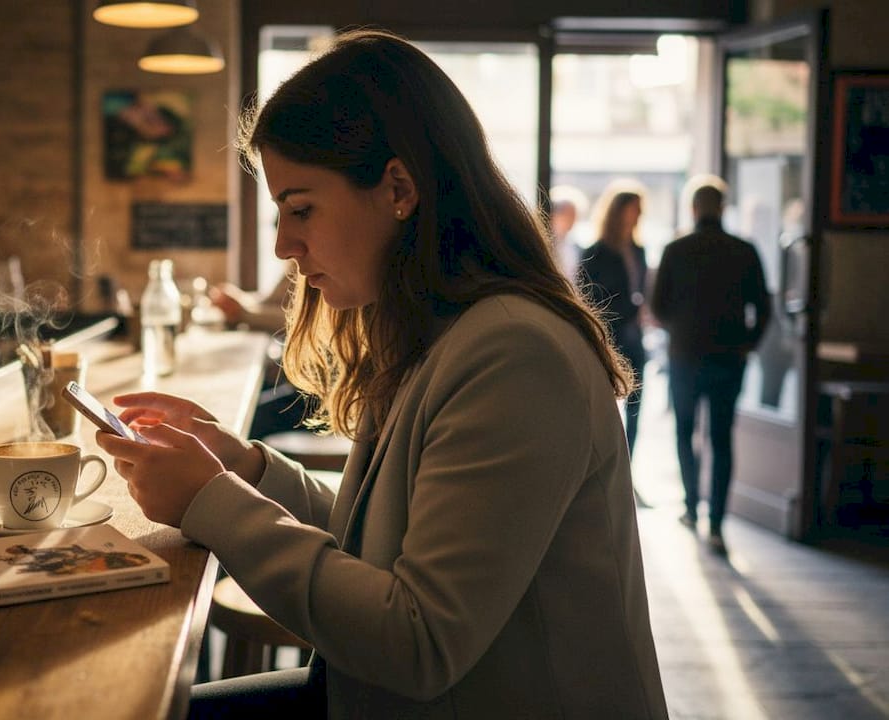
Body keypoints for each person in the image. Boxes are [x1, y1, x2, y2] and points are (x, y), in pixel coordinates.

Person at [95, 29, 667, 719]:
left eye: (301, 208)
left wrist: (208, 501)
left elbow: (417, 642)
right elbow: (377, 541)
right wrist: (243, 467)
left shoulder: (515, 355)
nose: (283, 244)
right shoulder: (435, 328)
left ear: (398, 188)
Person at [652, 178, 771, 555]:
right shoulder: (744, 251)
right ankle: (717, 522)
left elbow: (657, 306)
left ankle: (691, 507)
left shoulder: (675, 249)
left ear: (692, 209)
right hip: (728, 357)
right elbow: (763, 308)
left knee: (685, 432)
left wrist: (680, 331)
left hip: (685, 356)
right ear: (723, 208)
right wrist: (747, 344)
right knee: (722, 438)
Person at [580, 182, 649, 456]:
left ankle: (628, 467)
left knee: (635, 408)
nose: (637, 217)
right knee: (604, 406)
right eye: (633, 211)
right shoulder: (596, 253)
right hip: (608, 337)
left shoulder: (638, 251)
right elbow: (589, 300)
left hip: (635, 336)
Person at [547, 184, 587, 284]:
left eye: (574, 215)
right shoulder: (543, 243)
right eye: (567, 214)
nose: (571, 220)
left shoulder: (577, 248)